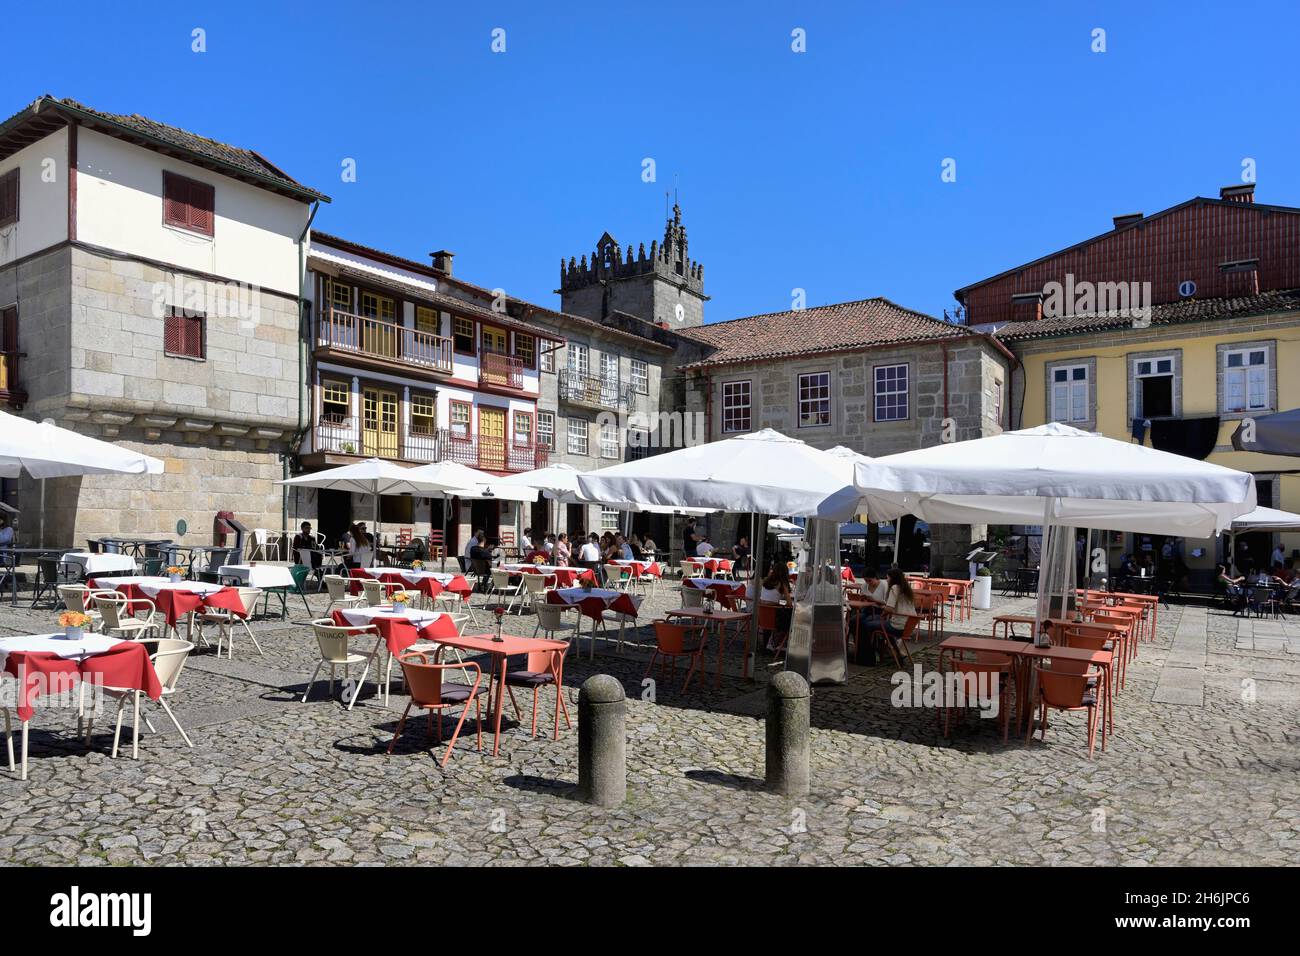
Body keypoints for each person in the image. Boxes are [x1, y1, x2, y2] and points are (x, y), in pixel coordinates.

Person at [881, 567, 917, 641]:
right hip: (909, 626)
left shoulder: (895, 588)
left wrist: (883, 608)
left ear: (893, 579)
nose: (886, 580)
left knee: (868, 625)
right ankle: (892, 647)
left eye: (887, 578)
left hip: (898, 626)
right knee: (877, 623)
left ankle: (870, 651)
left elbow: (889, 609)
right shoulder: (906, 589)